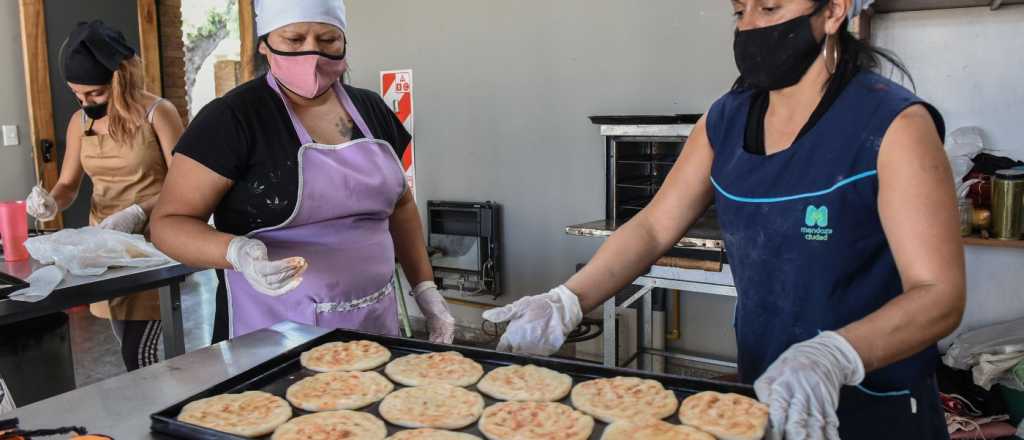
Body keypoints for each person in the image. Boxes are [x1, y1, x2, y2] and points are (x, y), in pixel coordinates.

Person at [484, 0, 965, 438]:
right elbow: (653, 228)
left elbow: (939, 294)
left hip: (877, 408)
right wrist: (568, 300)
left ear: (834, 10)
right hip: (763, 395)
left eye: (769, 9)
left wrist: (835, 355)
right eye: (739, 11)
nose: (750, 26)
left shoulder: (894, 126)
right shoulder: (726, 120)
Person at [151, 0, 455, 343]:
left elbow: (401, 206)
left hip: (374, 325)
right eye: (294, 40)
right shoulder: (232, 119)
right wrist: (236, 252)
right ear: (265, 43)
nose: (312, 54)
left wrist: (425, 289)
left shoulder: (371, 110)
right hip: (273, 335)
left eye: (327, 40)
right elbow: (168, 224)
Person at [25, 20, 184, 372]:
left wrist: (137, 212)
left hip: (150, 245)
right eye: (77, 95)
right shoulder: (79, 123)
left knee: (138, 353)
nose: (85, 103)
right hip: (105, 250)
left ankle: (161, 405)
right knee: (125, 341)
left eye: (95, 94)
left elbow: (186, 183)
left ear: (119, 80)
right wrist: (50, 202)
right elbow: (68, 185)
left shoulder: (158, 114)